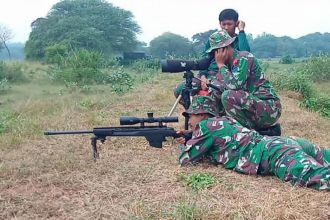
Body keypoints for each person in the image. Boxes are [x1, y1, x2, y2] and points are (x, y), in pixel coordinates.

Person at [176, 96, 330, 190]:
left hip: (273, 153)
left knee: (314, 177)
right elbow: (222, 141)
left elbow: (186, 160)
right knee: (325, 156)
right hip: (283, 142)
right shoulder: (225, 120)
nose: (189, 121)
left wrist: (186, 144)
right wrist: (192, 136)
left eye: (191, 116)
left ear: (202, 114)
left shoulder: (205, 126)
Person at [198, 30, 282, 133]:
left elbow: (234, 86)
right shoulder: (227, 65)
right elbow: (217, 86)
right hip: (253, 106)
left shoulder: (244, 58)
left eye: (215, 51)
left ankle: (247, 134)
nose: (214, 56)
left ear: (223, 49)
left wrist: (220, 65)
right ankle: (217, 130)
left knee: (228, 96)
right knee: (214, 94)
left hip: (269, 108)